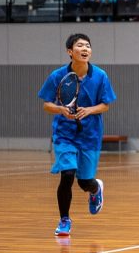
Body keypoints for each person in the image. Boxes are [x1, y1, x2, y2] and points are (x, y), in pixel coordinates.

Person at [38, 33, 117, 236]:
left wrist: (90, 110)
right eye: (80, 45)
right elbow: (47, 105)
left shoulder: (100, 76)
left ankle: (95, 189)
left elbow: (106, 105)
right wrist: (60, 110)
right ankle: (64, 220)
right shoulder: (58, 76)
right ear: (70, 52)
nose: (85, 49)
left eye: (88, 46)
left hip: (90, 135)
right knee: (67, 175)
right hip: (64, 133)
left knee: (84, 182)